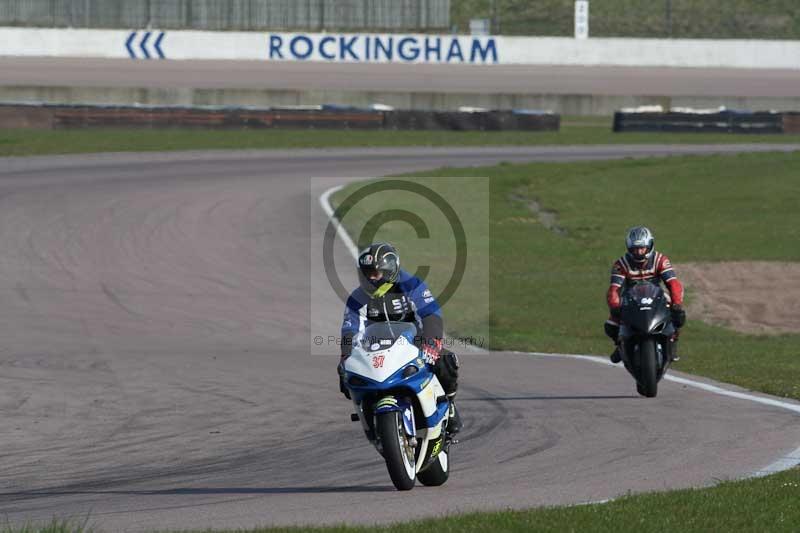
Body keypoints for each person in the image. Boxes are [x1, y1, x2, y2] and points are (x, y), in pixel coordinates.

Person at [337, 242, 462, 434]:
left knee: (446, 360)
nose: (370, 278)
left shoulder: (412, 285)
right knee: (346, 374)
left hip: (414, 343)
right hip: (376, 347)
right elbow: (350, 328)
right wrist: (346, 355)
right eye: (366, 273)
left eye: (375, 273)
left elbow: (430, 314)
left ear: (389, 270)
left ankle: (449, 405)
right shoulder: (357, 297)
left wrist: (431, 343)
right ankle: (369, 414)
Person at [605, 226, 686, 363]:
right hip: (630, 298)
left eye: (642, 248)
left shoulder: (661, 260)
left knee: (678, 316)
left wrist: (676, 303)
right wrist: (615, 306)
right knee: (611, 325)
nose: (639, 252)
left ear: (650, 246)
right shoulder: (621, 264)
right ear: (629, 248)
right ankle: (620, 345)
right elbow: (614, 289)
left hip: (657, 296)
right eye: (635, 249)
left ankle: (672, 345)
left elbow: (673, 283)